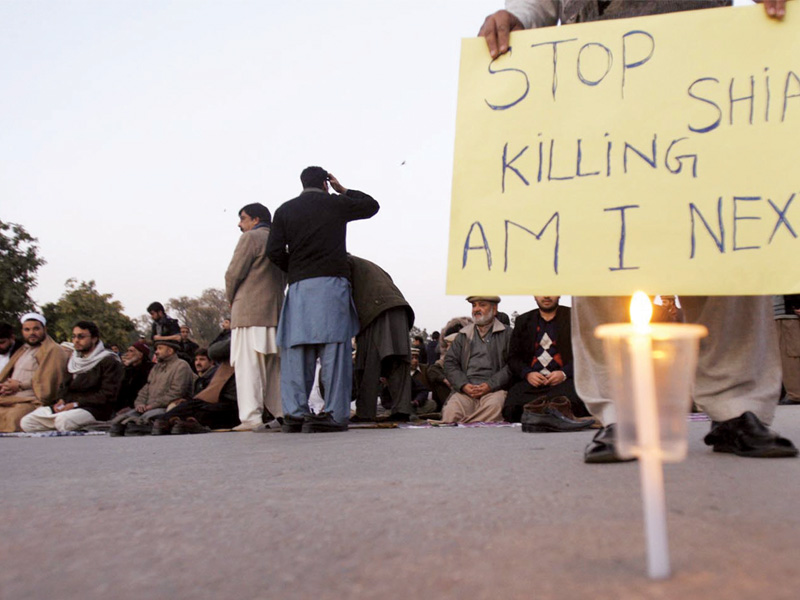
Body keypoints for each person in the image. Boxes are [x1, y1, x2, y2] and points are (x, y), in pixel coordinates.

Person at [479, 0, 796, 460]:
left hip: (705, 57)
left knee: (724, 247)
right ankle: (621, 414)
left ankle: (737, 408)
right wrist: (523, 16)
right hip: (597, 67)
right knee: (602, 254)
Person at [266, 167, 379, 433]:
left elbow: (273, 251)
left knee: (297, 351)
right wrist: (343, 189)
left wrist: (295, 268)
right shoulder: (336, 204)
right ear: (326, 183)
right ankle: (335, 414)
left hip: (299, 287)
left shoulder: (284, 210)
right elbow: (371, 206)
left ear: (302, 183)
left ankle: (294, 414)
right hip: (331, 285)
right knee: (334, 351)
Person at [225, 202, 286, 430]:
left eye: (243, 219)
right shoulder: (280, 240)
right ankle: (282, 413)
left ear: (255, 219)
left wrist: (231, 298)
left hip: (249, 312)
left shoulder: (250, 238)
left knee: (248, 366)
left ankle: (250, 418)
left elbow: (234, 273)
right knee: (274, 369)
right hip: (274, 312)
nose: (240, 225)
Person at [504, 296, 593, 431]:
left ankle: (549, 416)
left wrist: (564, 373)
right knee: (512, 405)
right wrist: (527, 374)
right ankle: (547, 416)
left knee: (574, 400)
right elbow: (513, 358)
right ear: (534, 296)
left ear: (558, 294)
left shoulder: (574, 318)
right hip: (532, 383)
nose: (546, 296)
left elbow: (585, 353)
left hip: (564, 381)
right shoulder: (524, 321)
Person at [21, 321, 123, 432]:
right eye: (74, 337)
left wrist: (76, 404)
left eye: (81, 337)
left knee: (63, 421)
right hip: (67, 407)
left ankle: (69, 430)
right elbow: (64, 386)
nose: (76, 340)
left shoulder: (109, 361)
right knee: (27, 422)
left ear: (94, 339)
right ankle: (60, 431)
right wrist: (60, 400)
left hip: (92, 408)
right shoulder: (74, 361)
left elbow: (107, 395)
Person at [349, 254, 415, 422]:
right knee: (398, 362)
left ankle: (365, 412)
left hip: (377, 311)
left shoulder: (344, 263)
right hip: (400, 308)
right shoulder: (366, 264)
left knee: (368, 363)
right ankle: (402, 410)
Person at [442, 296, 512, 423]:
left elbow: (512, 365)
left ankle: (466, 424)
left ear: (494, 309)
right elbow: (449, 363)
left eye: (482, 305)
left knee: (495, 407)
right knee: (451, 411)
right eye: (474, 305)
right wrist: (463, 385)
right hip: (467, 390)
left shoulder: (507, 334)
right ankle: (471, 423)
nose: (476, 309)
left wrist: (490, 385)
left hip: (494, 390)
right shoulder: (463, 335)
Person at [151, 336, 239, 435]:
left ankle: (188, 424)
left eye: (202, 360)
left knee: (206, 411)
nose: (198, 363)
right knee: (190, 405)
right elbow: (214, 351)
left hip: (235, 401)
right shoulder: (238, 340)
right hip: (217, 397)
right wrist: (240, 340)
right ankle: (163, 422)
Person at [109, 339, 194, 436]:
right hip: (149, 407)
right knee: (122, 419)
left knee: (146, 417)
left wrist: (152, 406)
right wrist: (139, 404)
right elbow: (145, 389)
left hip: (168, 407)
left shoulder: (181, 366)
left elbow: (176, 393)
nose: (156, 352)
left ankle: (144, 426)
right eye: (156, 349)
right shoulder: (156, 368)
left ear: (170, 351)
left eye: (160, 349)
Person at [0, 313, 68, 432]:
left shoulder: (53, 350)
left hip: (33, 400)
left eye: (36, 329)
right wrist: (5, 386)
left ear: (44, 329)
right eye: (27, 329)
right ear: (22, 331)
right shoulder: (23, 350)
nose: (31, 333)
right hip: (10, 398)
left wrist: (20, 385)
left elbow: (49, 382)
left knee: (13, 417)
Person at [775, 295, 800, 405]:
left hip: (786, 313)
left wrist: (796, 303)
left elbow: (790, 282)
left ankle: (795, 393)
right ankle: (788, 392)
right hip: (780, 313)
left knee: (789, 354)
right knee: (782, 354)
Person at [117, 341, 153, 413]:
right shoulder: (127, 368)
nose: (127, 354)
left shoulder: (150, 369)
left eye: (131, 351)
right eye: (127, 351)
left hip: (138, 407)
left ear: (140, 355)